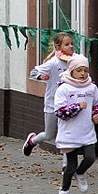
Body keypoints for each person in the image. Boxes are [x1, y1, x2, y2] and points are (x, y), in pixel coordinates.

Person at [22, 32, 78, 166]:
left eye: (72, 44)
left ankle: (67, 166)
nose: (71, 46)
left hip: (69, 106)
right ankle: (32, 140)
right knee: (49, 135)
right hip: (52, 104)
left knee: (66, 135)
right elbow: (33, 72)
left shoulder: (75, 62)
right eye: (67, 44)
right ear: (58, 48)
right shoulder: (53, 63)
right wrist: (41, 77)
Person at [54, 54, 98, 194]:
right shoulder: (64, 88)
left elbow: (97, 104)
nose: (83, 74)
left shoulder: (92, 87)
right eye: (79, 70)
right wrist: (77, 107)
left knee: (90, 157)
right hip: (70, 133)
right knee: (70, 165)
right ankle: (64, 191)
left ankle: (80, 173)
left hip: (86, 131)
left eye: (85, 71)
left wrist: (96, 114)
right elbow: (60, 112)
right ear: (72, 71)